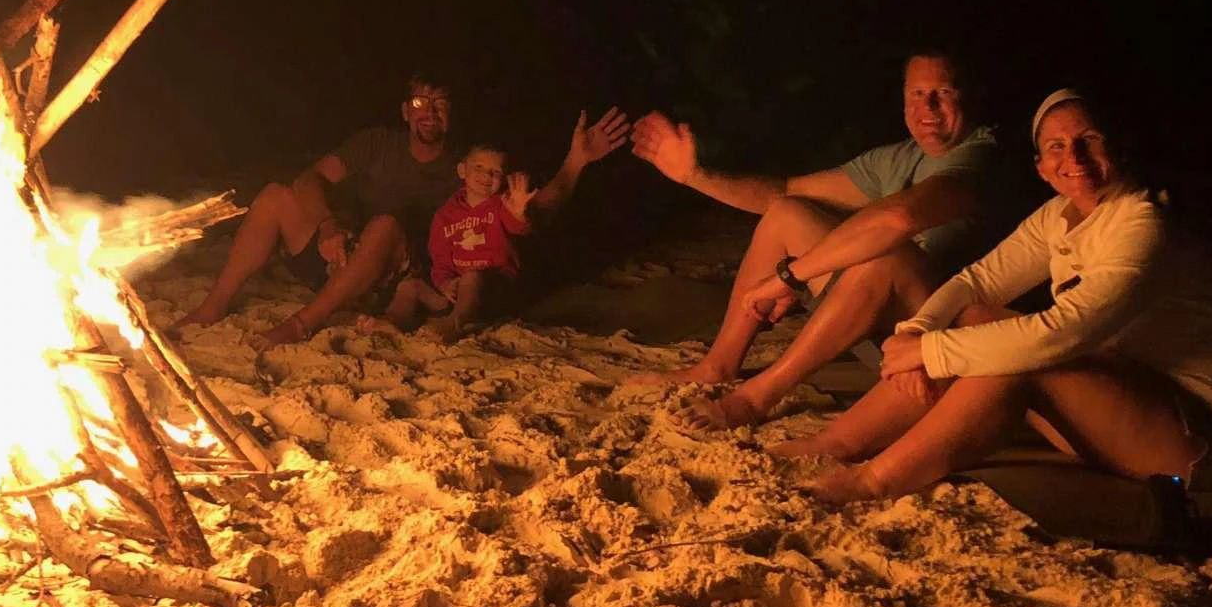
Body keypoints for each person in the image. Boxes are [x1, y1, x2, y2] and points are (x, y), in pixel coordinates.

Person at [781, 89, 1212, 505]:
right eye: (1056, 146)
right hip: (1121, 405)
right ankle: (838, 442)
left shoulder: (1145, 223)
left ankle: (876, 480)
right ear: (1040, 167)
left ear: (1118, 147)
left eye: (1089, 140)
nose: (1073, 157)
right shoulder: (1060, 215)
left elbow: (1064, 333)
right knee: (979, 318)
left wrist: (928, 353)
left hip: (1208, 442)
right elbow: (977, 282)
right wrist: (917, 331)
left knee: (1020, 356)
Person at [630, 50, 1008, 429]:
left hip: (949, 333)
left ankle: (754, 398)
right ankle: (717, 366)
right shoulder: (898, 158)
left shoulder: (982, 155)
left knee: (888, 255)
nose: (928, 107)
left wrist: (791, 276)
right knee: (786, 213)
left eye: (944, 92)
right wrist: (695, 176)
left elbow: (898, 218)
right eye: (917, 93)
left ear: (969, 96)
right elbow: (784, 191)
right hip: (883, 321)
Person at [178, 71, 627, 346]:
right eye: (419, 102)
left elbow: (531, 205)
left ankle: (301, 325)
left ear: (451, 114)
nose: (429, 111)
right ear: (405, 112)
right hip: (338, 256)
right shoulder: (376, 144)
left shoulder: (467, 165)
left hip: (393, 279)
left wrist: (575, 162)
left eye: (440, 104)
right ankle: (214, 305)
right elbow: (308, 180)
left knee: (387, 224)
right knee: (277, 194)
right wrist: (329, 225)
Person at [378, 143, 536, 340]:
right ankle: (393, 320)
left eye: (495, 172)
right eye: (479, 167)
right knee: (411, 286)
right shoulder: (445, 215)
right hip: (456, 293)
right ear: (462, 170)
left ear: (503, 179)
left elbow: (519, 229)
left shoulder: (502, 205)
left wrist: (519, 213)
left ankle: (456, 324)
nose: (486, 175)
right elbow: (440, 258)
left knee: (472, 277)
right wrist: (444, 284)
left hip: (495, 290)